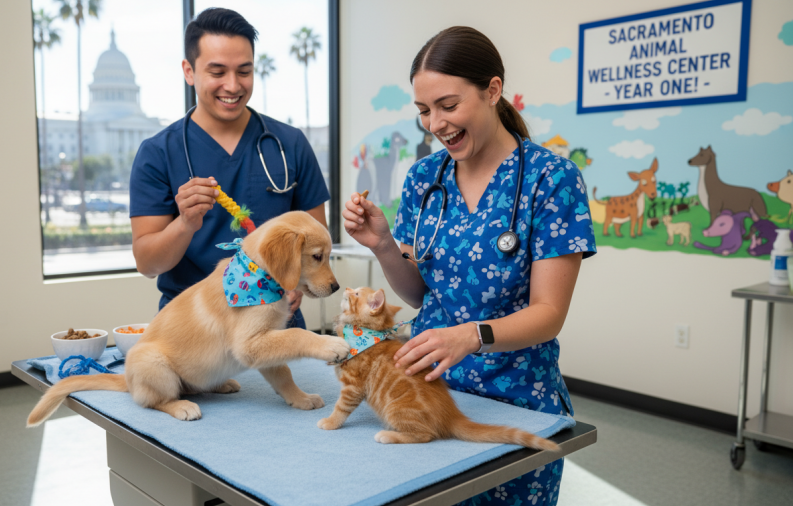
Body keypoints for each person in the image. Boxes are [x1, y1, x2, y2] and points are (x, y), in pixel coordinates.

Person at [343, 27, 596, 505]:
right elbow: (420, 295)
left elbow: (549, 313)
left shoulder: (551, 179)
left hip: (515, 399)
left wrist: (470, 336)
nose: (435, 123)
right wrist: (381, 245)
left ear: (492, 91)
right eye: (423, 110)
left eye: (448, 105)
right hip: (425, 394)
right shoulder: (424, 178)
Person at [130, 8, 330, 326]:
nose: (233, 85)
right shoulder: (158, 153)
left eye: (244, 71)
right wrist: (184, 224)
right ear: (189, 71)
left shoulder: (289, 143)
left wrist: (299, 286)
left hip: (277, 320)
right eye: (218, 71)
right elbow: (147, 263)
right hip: (193, 325)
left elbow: (317, 244)